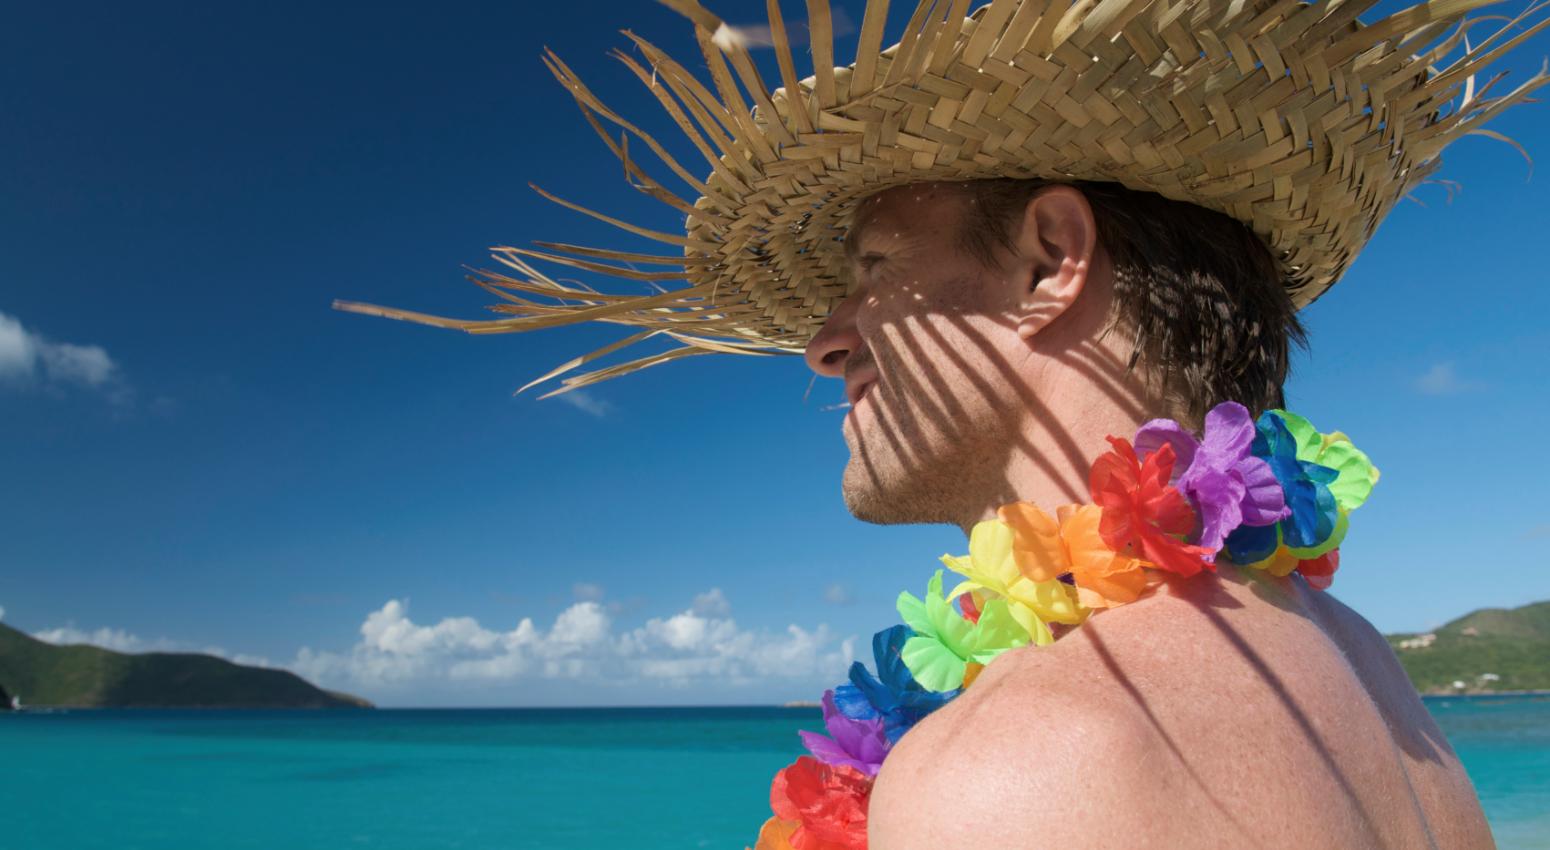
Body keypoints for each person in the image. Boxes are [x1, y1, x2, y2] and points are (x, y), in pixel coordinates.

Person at [337, 0, 1550, 846]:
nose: (823, 338)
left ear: (1048, 262)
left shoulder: (1019, 759)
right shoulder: (1364, 670)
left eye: (871, 269)